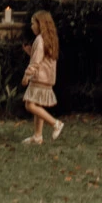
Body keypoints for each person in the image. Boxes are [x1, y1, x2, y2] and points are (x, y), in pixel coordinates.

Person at [21, 10, 64, 146]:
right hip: (47, 78)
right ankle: (38, 136)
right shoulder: (49, 39)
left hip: (39, 78)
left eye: (33, 23)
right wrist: (30, 52)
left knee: (30, 104)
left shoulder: (39, 40)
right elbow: (42, 59)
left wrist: (27, 75)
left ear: (41, 24)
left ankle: (55, 123)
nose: (32, 26)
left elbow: (36, 62)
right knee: (37, 104)